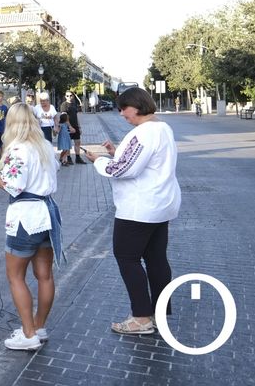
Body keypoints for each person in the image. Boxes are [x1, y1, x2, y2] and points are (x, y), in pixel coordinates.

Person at [85, 88, 180, 335]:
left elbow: (124, 170)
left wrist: (98, 160)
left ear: (136, 106)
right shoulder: (163, 129)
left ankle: (141, 317)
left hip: (139, 209)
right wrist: (116, 154)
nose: (121, 113)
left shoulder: (143, 133)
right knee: (156, 259)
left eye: (123, 108)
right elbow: (144, 163)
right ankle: (160, 313)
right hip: (161, 205)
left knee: (127, 258)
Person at [0, 103, 64, 351]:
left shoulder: (17, 149)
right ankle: (38, 326)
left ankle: (28, 333)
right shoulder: (43, 146)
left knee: (15, 275)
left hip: (26, 216)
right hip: (47, 212)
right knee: (45, 275)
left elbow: (14, 186)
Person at [60, 91, 86, 164]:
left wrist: (79, 127)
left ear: (73, 96)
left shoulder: (74, 104)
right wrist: (70, 127)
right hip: (67, 127)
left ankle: (78, 158)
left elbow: (76, 116)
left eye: (70, 95)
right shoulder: (64, 105)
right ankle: (68, 158)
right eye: (67, 96)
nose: (69, 97)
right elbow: (64, 118)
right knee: (68, 144)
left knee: (77, 142)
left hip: (75, 126)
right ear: (65, 96)